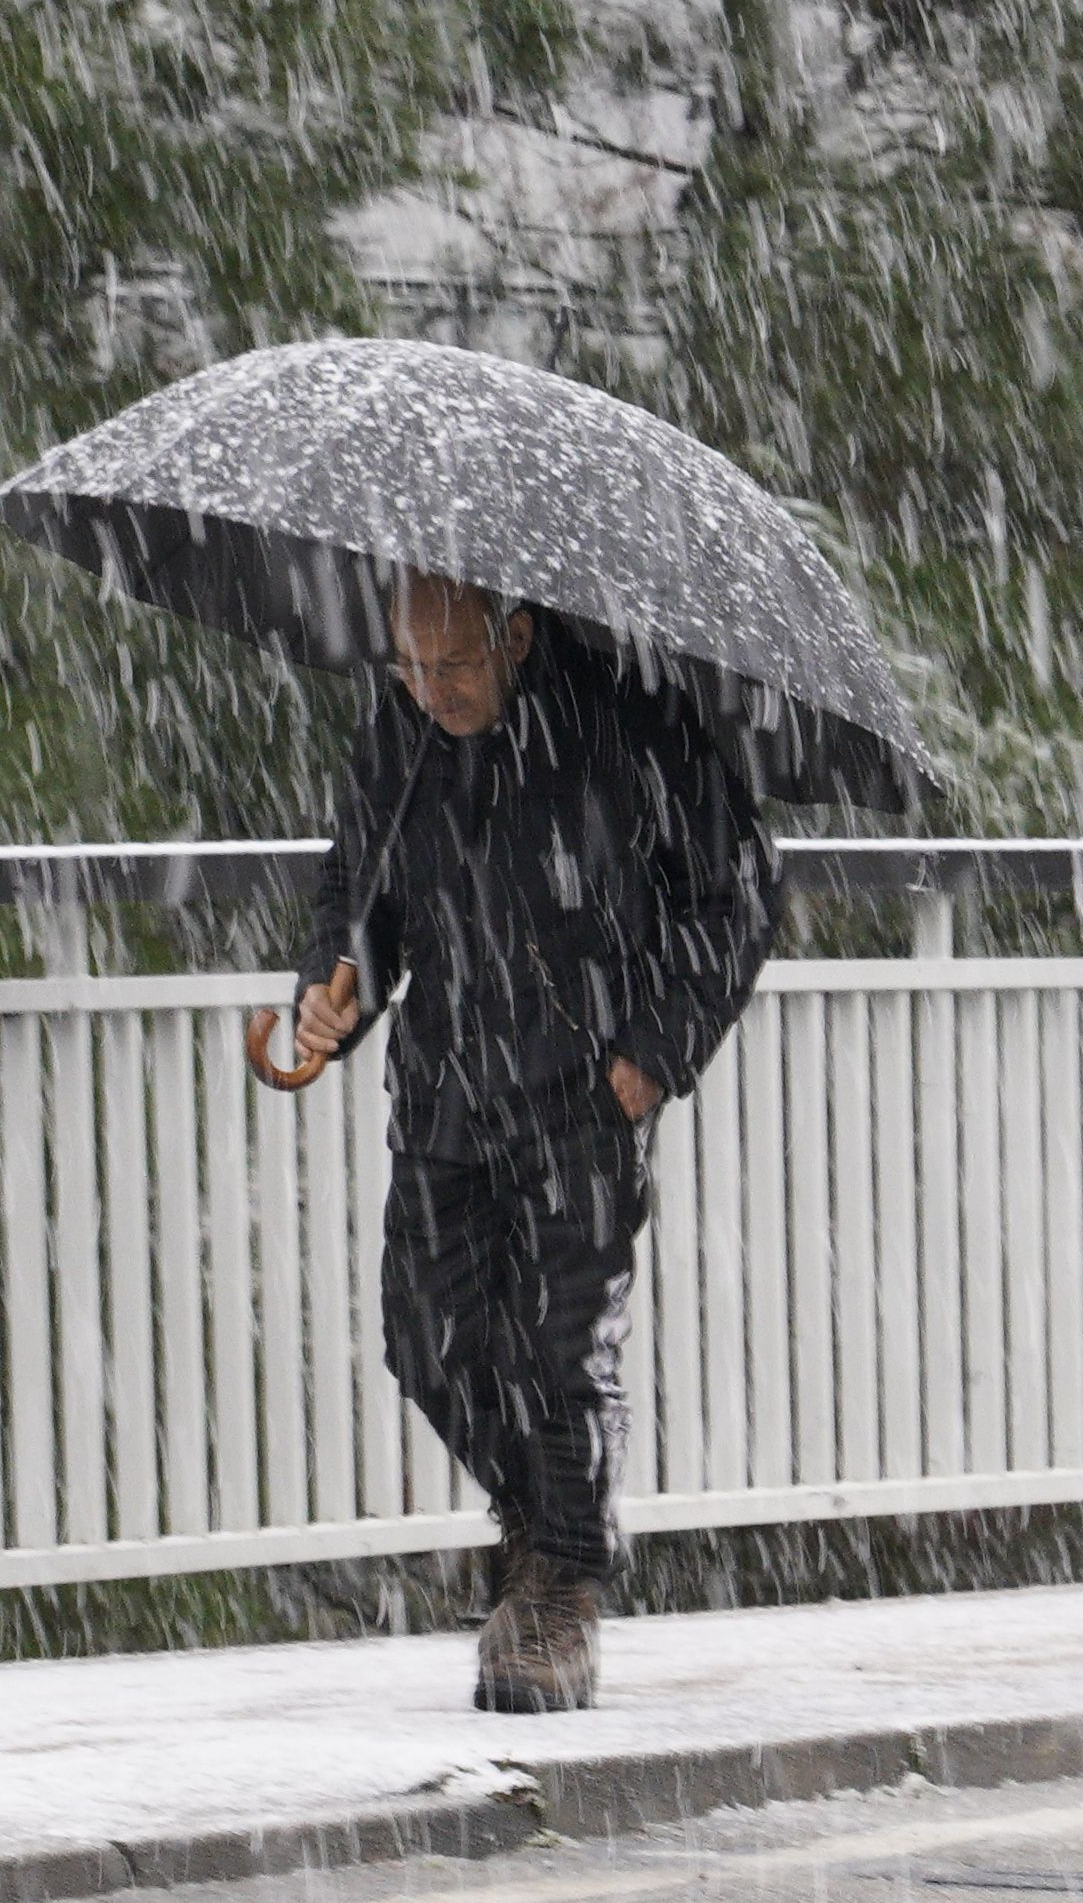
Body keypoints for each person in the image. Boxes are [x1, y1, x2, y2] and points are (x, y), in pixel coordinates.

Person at [291, 570, 777, 1711]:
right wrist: (332, 989)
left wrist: (653, 1049)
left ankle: (557, 1592)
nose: (429, 687)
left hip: (581, 1087)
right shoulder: (402, 725)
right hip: (446, 1088)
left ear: (515, 634)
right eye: (408, 666)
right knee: (428, 1337)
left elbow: (739, 892)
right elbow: (357, 891)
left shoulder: (630, 719)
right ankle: (546, 1521)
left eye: (453, 664)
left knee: (562, 1352)